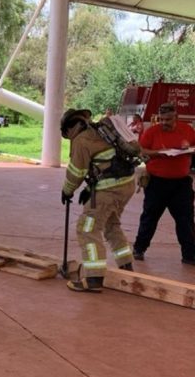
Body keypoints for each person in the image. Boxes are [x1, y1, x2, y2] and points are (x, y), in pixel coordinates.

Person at [60, 108, 136, 292]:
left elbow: (76, 172)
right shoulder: (100, 132)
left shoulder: (81, 139)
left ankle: (93, 278)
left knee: (87, 228)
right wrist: (88, 190)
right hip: (125, 185)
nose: (69, 139)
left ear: (70, 129)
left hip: (109, 189)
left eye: (66, 136)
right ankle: (126, 267)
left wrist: (67, 191)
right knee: (111, 224)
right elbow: (103, 165)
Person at [132, 102, 195, 265]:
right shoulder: (152, 131)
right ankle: (139, 248)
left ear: (176, 117)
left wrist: (188, 149)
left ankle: (189, 255)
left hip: (181, 184)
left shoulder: (187, 129)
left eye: (168, 119)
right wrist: (159, 153)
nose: (164, 123)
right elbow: (141, 150)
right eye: (162, 119)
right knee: (150, 217)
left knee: (185, 220)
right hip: (157, 183)